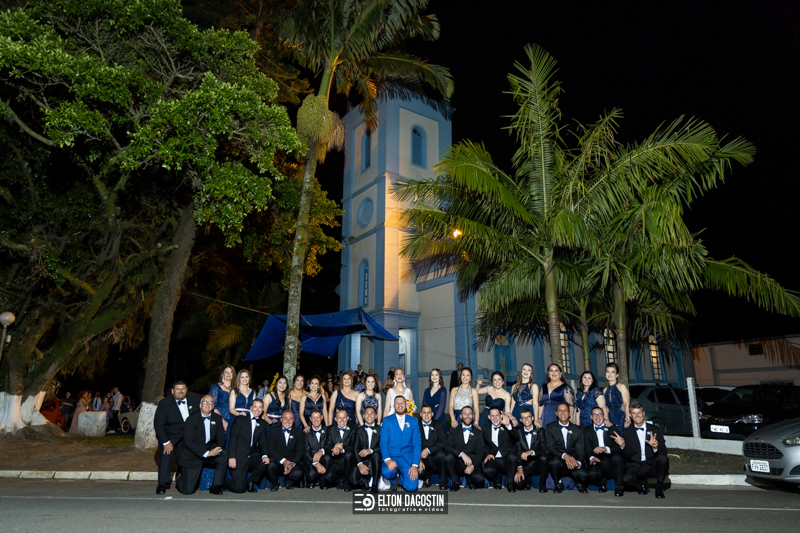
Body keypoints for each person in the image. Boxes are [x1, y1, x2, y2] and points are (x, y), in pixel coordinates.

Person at [611, 401, 668, 499]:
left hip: (652, 464)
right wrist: (623, 446)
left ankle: (659, 488)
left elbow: (664, 451)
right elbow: (628, 456)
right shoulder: (627, 432)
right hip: (637, 465)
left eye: (639, 413)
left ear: (643, 414)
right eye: (634, 413)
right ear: (630, 415)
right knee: (627, 479)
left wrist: (655, 447)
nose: (637, 415)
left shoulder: (655, 430)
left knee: (663, 459)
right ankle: (641, 485)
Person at [153, 380, 201, 494]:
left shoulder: (195, 398)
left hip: (189, 435)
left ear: (187, 390)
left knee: (190, 455)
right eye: (178, 389)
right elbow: (159, 425)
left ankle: (184, 478)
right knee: (166, 454)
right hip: (171, 436)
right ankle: (162, 484)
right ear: (172, 391)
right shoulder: (164, 403)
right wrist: (165, 442)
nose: (181, 391)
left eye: (183, 388)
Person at [177, 395, 227, 495]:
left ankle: (216, 486)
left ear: (213, 406)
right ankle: (179, 477)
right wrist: (206, 453)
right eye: (205, 402)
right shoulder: (191, 419)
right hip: (193, 455)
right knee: (188, 491)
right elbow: (189, 442)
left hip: (210, 451)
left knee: (224, 454)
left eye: (210, 403)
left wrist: (217, 449)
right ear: (200, 405)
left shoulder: (217, 418)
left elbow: (221, 437)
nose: (208, 405)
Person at [224, 398, 269, 493]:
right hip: (238, 457)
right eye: (255, 407)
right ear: (251, 408)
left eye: (260, 407)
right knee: (240, 489)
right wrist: (231, 457)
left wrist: (265, 455)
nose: (257, 410)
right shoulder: (240, 419)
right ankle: (221, 481)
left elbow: (263, 443)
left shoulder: (261, 424)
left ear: (262, 410)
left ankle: (250, 480)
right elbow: (232, 439)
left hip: (251, 456)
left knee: (266, 462)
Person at [380, 395, 422, 492]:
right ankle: (394, 480)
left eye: (402, 403)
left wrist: (415, 465)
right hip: (392, 457)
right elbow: (383, 442)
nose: (400, 405)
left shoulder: (413, 421)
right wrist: (388, 460)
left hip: (407, 459)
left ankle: (402, 479)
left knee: (411, 487)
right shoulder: (387, 420)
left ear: (406, 405)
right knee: (387, 472)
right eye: (397, 403)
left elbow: (417, 444)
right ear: (393, 406)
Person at [544, 402, 588, 493]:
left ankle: (578, 482)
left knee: (583, 475)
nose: (562, 412)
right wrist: (565, 456)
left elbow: (580, 450)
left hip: (573, 460)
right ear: (556, 413)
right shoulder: (550, 427)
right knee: (553, 462)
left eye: (565, 410)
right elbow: (551, 448)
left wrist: (577, 463)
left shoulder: (578, 430)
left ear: (569, 414)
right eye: (560, 410)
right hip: (559, 460)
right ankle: (558, 483)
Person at [583, 407, 625, 495]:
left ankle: (619, 488)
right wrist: (592, 458)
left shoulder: (612, 428)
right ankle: (602, 482)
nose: (597, 417)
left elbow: (619, 448)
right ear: (591, 417)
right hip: (597, 460)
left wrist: (606, 448)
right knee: (592, 474)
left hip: (611, 459)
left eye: (599, 414)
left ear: (604, 416)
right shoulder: (586, 431)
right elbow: (587, 449)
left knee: (618, 458)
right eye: (595, 415)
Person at [443, 405, 485, 491]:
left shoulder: (478, 431)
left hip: (472, 461)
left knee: (480, 480)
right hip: (458, 462)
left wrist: (473, 466)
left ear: (473, 416)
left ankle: (471, 480)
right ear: (461, 416)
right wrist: (461, 454)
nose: (467, 416)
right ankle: (455, 482)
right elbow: (447, 446)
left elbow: (481, 451)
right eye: (465, 414)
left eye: (470, 414)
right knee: (448, 458)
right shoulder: (454, 430)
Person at [480, 406, 519, 492]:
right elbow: (482, 444)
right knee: (488, 471)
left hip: (507, 459)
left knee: (513, 457)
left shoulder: (507, 425)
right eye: (492, 416)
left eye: (497, 415)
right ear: (489, 417)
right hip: (494, 458)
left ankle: (510, 483)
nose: (495, 418)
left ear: (501, 416)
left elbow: (516, 437)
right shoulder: (485, 428)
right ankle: (497, 480)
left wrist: (508, 425)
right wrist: (487, 454)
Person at [266, 411, 305, 490]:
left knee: (298, 472)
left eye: (290, 418)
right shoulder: (273, 431)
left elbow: (300, 452)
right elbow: (271, 450)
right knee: (270, 466)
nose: (288, 421)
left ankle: (289, 482)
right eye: (285, 418)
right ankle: (275, 483)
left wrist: (292, 464)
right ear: (281, 420)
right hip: (278, 461)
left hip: (292, 462)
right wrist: (284, 461)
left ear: (294, 420)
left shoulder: (299, 433)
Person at [512, 408, 548, 492]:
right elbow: (518, 452)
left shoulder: (540, 431)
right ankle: (527, 482)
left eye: (528, 417)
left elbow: (544, 449)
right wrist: (520, 467)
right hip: (525, 463)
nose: (526, 419)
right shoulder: (518, 432)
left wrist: (531, 452)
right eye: (524, 418)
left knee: (544, 458)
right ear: (521, 420)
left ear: (532, 418)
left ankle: (542, 485)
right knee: (518, 484)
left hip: (537, 462)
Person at [350, 406, 382, 493]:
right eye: (367, 413)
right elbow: (355, 448)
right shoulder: (358, 430)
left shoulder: (380, 429)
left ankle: (375, 484)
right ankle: (366, 480)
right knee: (352, 481)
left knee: (376, 455)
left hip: (375, 461)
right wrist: (360, 464)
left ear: (376, 416)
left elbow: (384, 447)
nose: (369, 415)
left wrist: (371, 450)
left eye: (372, 413)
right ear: (363, 416)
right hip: (363, 461)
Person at [323, 409, 356, 490]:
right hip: (336, 461)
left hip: (350, 461)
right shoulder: (330, 429)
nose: (342, 420)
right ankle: (339, 481)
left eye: (344, 418)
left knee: (348, 454)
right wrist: (333, 450)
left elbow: (354, 446)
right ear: (335, 419)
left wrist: (342, 449)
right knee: (327, 478)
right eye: (339, 418)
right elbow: (327, 446)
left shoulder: (354, 428)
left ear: (347, 418)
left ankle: (348, 482)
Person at [418, 404, 447, 490]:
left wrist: (428, 450)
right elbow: (411, 444)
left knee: (441, 454)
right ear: (420, 414)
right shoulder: (415, 425)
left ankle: (442, 481)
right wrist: (418, 460)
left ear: (432, 414)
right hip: (421, 458)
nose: (426, 415)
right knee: (419, 473)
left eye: (429, 412)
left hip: (435, 458)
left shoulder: (439, 424)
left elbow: (444, 442)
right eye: (424, 413)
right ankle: (426, 477)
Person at [303, 409, 328, 489]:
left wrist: (321, 451)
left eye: (318, 417)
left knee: (328, 458)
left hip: (325, 459)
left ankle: (324, 480)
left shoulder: (328, 430)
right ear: (310, 419)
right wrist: (316, 463)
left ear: (322, 417)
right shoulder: (306, 433)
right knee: (311, 475)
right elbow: (306, 452)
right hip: (312, 460)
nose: (316, 420)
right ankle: (311, 481)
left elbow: (329, 446)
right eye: (313, 417)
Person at [603, 363, 631, 430]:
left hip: (621, 416)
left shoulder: (622, 387)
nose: (610, 374)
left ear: (617, 374)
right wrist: (606, 419)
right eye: (607, 371)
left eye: (613, 372)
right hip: (610, 418)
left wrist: (627, 419)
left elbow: (626, 403)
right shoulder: (605, 390)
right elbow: (606, 407)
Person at [209, 365, 235, 432]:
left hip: (233, 418)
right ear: (222, 374)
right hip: (220, 417)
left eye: (231, 372)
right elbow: (213, 405)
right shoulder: (216, 387)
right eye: (226, 372)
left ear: (233, 374)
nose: (228, 374)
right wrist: (222, 421)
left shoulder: (236, 389)